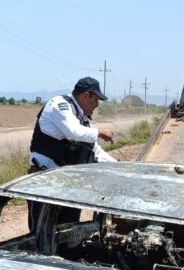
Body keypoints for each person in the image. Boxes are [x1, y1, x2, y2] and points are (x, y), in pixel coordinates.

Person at [27, 76, 117, 229]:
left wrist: (117, 166)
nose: (96, 105)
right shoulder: (59, 104)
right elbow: (73, 132)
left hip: (67, 183)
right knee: (41, 233)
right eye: (95, 100)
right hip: (45, 180)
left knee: (68, 230)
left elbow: (94, 150)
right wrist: (100, 132)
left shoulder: (80, 118)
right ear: (86, 95)